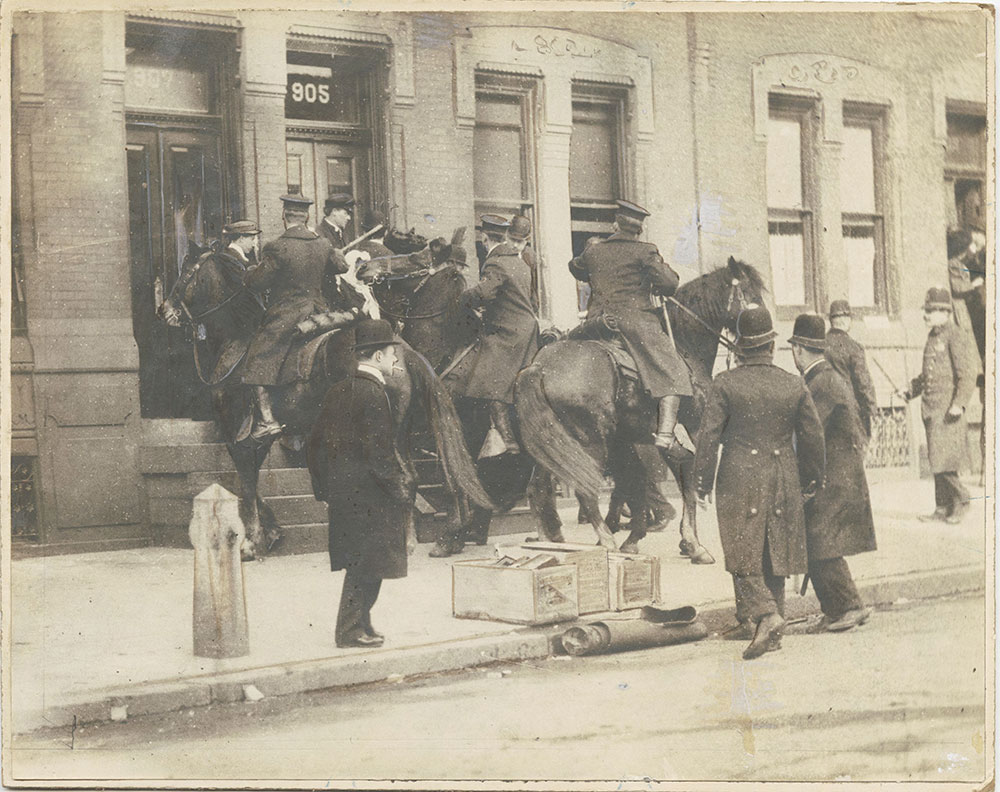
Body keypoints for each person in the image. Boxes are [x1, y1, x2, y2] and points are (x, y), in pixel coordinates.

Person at [694, 305, 825, 659]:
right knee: (773, 547)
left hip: (739, 475)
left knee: (741, 549)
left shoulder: (725, 384)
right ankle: (767, 623)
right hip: (784, 473)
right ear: (770, 346)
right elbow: (813, 437)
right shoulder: (793, 384)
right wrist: (812, 478)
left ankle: (766, 616)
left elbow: (708, 437)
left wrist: (701, 482)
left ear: (739, 347)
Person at [307, 319, 416, 648]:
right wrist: (398, 489)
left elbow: (313, 444)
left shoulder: (338, 389)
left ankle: (363, 624)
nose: (395, 361)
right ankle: (349, 630)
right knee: (367, 564)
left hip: (345, 494)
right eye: (392, 354)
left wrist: (323, 489)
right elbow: (378, 452)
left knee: (365, 562)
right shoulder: (375, 393)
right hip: (372, 495)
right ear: (379, 356)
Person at [568, 199, 693, 458]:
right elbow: (670, 284)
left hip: (596, 323)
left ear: (615, 224)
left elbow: (575, 268)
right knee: (674, 368)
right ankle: (666, 432)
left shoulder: (594, 251)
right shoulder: (645, 251)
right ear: (639, 229)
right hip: (635, 322)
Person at [789, 313, 877, 633]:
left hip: (836, 478)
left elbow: (808, 432)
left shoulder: (822, 381)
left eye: (794, 350)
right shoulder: (822, 377)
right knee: (819, 542)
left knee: (820, 541)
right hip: (837, 474)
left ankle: (850, 606)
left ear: (799, 350)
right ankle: (836, 608)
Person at [241, 194, 352, 440]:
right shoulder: (322, 243)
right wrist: (330, 251)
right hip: (320, 312)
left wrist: (250, 271)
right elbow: (341, 267)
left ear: (284, 217)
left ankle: (267, 421)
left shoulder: (277, 246)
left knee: (257, 355)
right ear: (308, 217)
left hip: (288, 315)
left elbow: (257, 283)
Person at [455, 214, 539, 455]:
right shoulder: (520, 262)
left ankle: (507, 439)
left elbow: (484, 293)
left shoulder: (496, 262)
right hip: (525, 329)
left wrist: (459, 299)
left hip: (508, 333)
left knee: (487, 379)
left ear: (484, 238)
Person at [903, 287, 978, 524]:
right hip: (932, 409)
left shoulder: (955, 335)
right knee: (938, 459)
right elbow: (928, 375)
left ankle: (962, 499)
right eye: (927, 310)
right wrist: (910, 390)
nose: (927, 314)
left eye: (933, 310)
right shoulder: (933, 337)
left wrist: (959, 404)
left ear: (946, 313)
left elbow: (967, 374)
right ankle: (942, 507)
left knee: (945, 460)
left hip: (948, 411)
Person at [824, 300, 878, 439]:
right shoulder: (854, 348)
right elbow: (863, 383)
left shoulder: (818, 346)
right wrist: (872, 411)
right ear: (846, 320)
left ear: (831, 320)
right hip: (848, 414)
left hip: (823, 414)